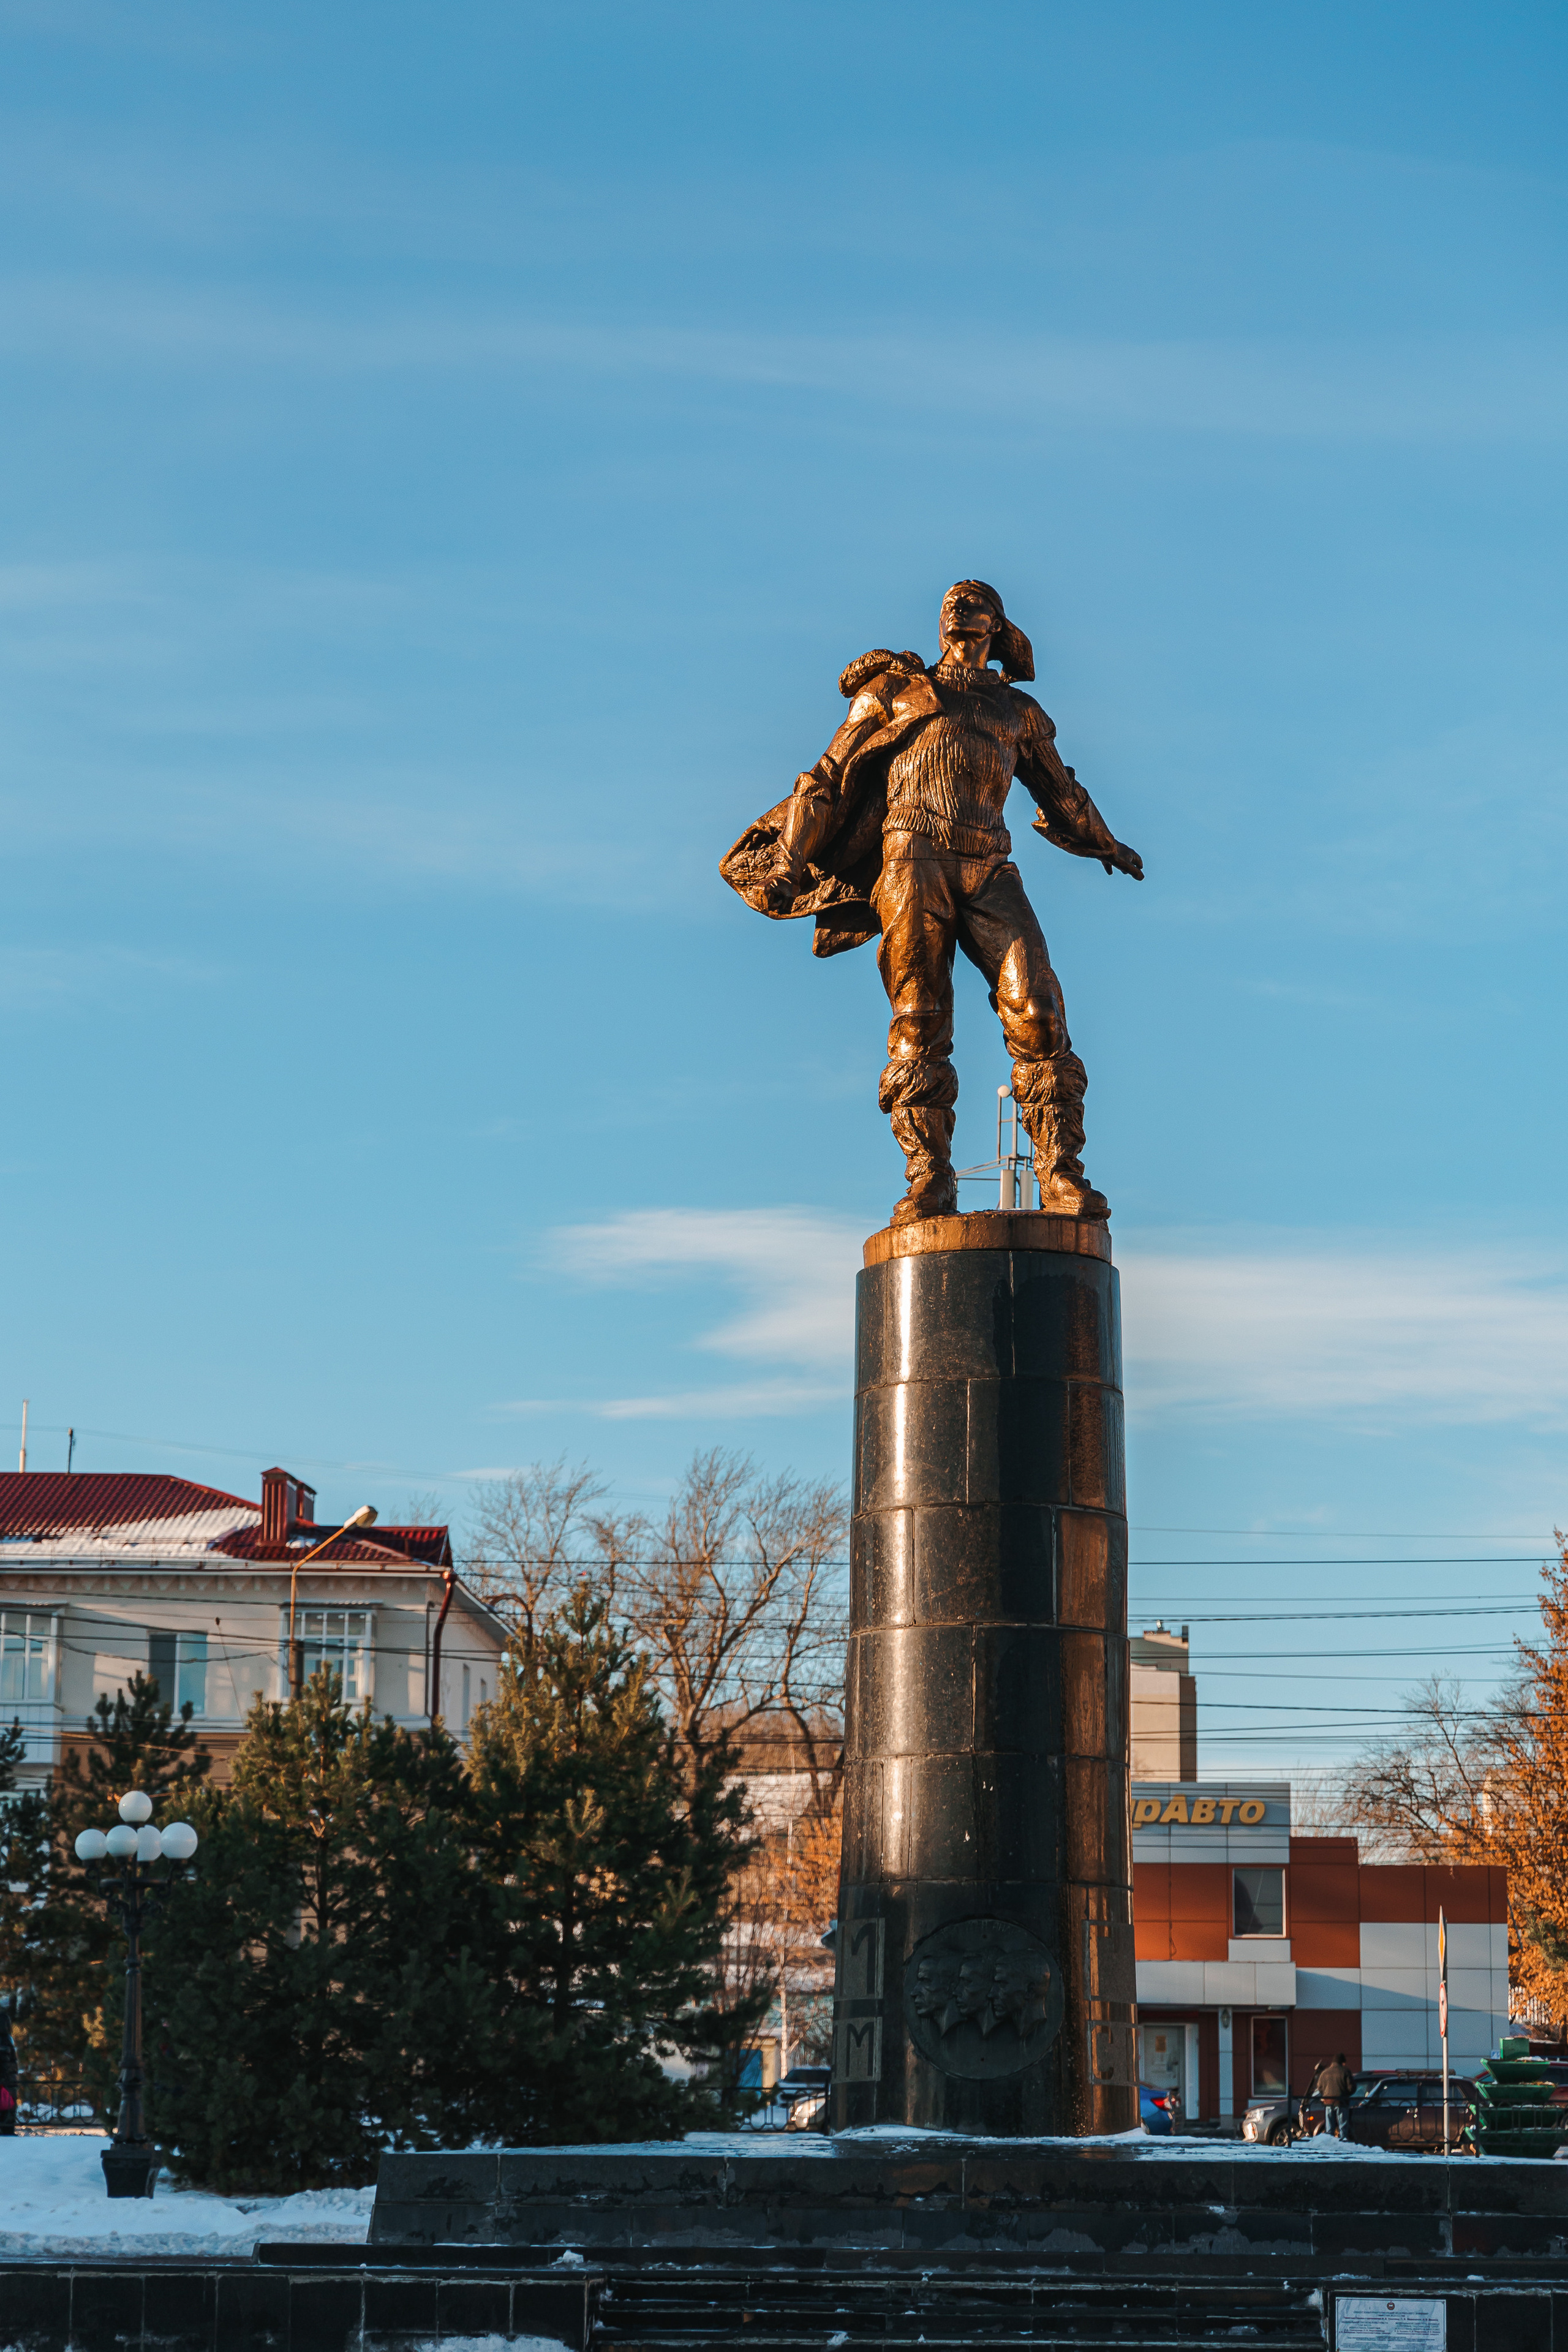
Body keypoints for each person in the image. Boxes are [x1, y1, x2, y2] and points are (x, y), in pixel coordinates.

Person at [723, 581, 1143, 1227]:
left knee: (1039, 1011)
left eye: (973, 601)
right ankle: (928, 1178)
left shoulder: (1016, 712)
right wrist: (788, 859)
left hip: (989, 867)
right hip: (911, 859)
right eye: (950, 602)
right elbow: (826, 779)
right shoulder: (895, 692)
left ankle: (1060, 1173)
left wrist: (1105, 843)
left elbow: (1060, 792)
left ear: (997, 627)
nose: (956, 608)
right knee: (919, 1020)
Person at [1316, 2051, 1354, 2139]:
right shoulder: (1345, 2072)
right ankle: (1343, 2143)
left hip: (1328, 2102)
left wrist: (1325, 2095)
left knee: (1329, 2128)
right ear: (1342, 2062)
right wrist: (1346, 2095)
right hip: (1341, 2102)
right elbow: (1351, 2088)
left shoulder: (1325, 2073)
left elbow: (1319, 2087)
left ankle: (1330, 2145)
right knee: (1343, 2127)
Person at [0, 2007, 17, 2136]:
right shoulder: (8, 2039)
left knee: (6, 2109)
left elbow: (5, 2063)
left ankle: (7, 2131)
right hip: (9, 2082)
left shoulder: (4, 2040)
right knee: (8, 2109)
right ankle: (8, 2131)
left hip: (4, 2082)